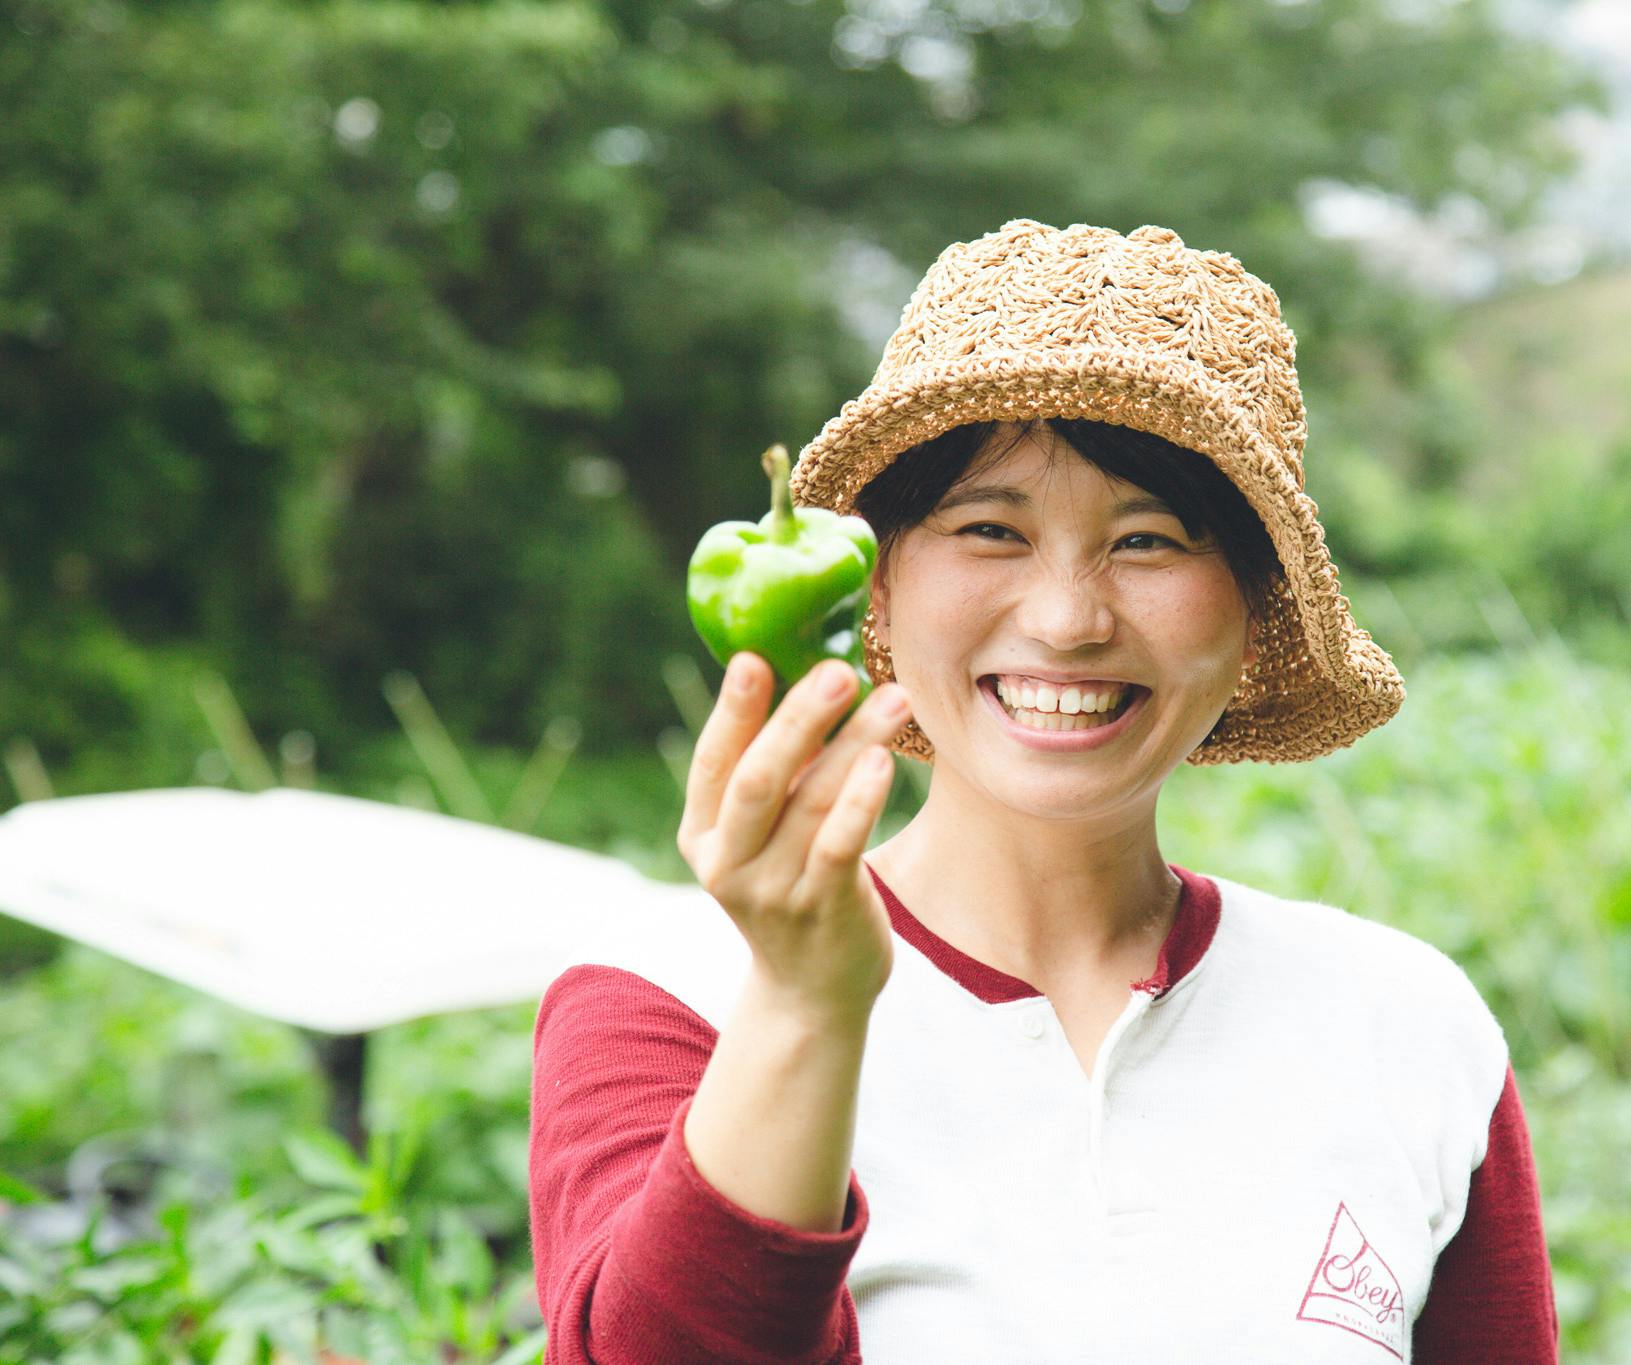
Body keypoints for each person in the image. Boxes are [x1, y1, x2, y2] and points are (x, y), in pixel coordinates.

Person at [528, 220, 1558, 1363]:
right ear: (877, 581)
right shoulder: (665, 1002)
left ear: (1254, 607)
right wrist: (805, 1005)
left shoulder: (1404, 1024)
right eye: (986, 529)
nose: (1067, 619)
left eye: (1149, 540)